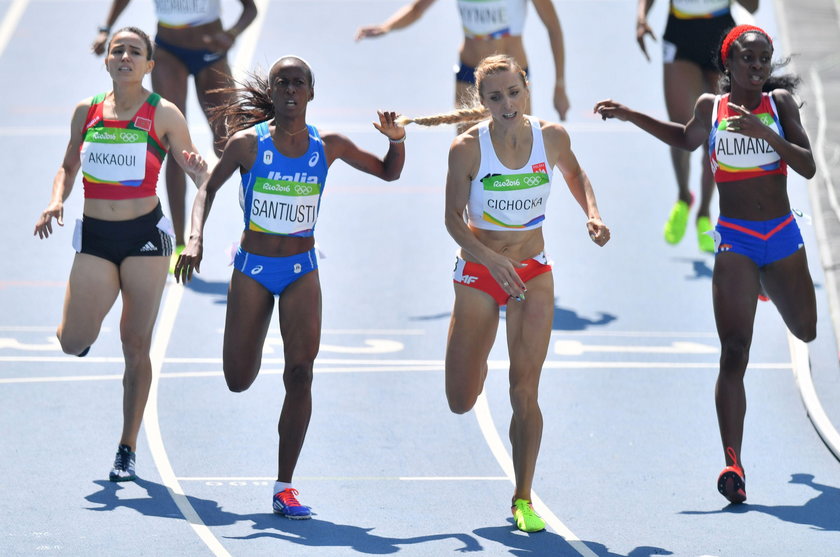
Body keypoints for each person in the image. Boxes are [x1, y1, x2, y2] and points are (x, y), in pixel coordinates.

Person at [173, 56, 406, 519]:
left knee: (301, 373)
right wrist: (195, 239)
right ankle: (250, 355)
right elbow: (207, 190)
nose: (291, 89)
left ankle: (285, 486)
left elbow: (388, 171)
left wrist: (397, 142)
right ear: (274, 92)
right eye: (283, 82)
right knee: (238, 380)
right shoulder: (247, 145)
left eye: (299, 83)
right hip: (253, 270)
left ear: (310, 94)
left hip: (301, 268)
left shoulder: (329, 145)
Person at [595, 24, 817, 504]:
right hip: (736, 241)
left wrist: (764, 133)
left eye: (764, 59)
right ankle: (733, 462)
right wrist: (632, 114)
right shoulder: (709, 109)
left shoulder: (779, 105)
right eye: (748, 59)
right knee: (734, 351)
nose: (757, 67)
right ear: (728, 63)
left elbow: (807, 165)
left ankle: (766, 283)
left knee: (806, 330)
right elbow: (684, 138)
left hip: (780, 236)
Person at [399, 54, 609, 531]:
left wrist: (592, 214)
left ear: (525, 88)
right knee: (460, 399)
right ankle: (478, 355)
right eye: (495, 97)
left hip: (532, 273)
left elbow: (576, 175)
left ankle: (522, 497)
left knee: (525, 392)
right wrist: (491, 258)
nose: (507, 103)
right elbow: (453, 219)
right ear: (482, 101)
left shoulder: (551, 138)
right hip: (480, 270)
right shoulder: (467, 149)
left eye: (513, 92)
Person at [34, 27, 209, 482]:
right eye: (118, 50)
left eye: (135, 51)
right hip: (96, 236)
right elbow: (68, 165)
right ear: (108, 62)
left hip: (145, 239)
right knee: (71, 341)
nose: (126, 56)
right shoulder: (86, 112)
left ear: (149, 65)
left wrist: (199, 185)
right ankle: (87, 333)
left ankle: (127, 446)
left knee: (136, 344)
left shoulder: (164, 114)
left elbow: (198, 177)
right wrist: (56, 200)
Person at [91, 0, 258, 265]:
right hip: (168, 53)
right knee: (172, 144)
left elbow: (250, 9)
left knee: (230, 143)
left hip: (211, 52)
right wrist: (105, 28)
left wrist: (231, 34)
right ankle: (180, 243)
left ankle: (257, 234)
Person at [636, 0, 758, 252]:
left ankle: (704, 212)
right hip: (680, 34)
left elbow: (753, 6)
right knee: (681, 127)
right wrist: (641, 17)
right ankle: (683, 197)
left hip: (722, 35)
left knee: (715, 132)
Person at [355, 0, 569, 129]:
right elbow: (417, 9)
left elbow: (553, 27)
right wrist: (386, 27)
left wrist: (559, 85)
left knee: (519, 147)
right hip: (469, 75)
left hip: (511, 81)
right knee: (468, 152)